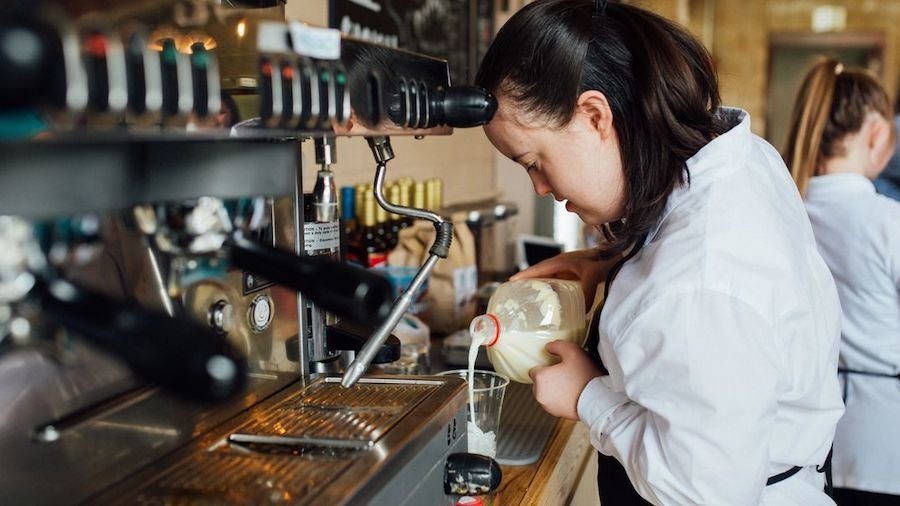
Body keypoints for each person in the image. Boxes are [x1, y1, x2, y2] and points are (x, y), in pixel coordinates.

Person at [475, 1, 844, 504]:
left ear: (593, 115)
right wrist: (610, 258)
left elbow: (707, 493)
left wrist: (588, 397)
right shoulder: (735, 156)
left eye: (534, 161)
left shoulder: (699, 281)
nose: (539, 186)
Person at [783, 59, 900, 506]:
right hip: (882, 450)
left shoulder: (783, 212)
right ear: (876, 136)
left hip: (804, 448)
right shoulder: (888, 224)